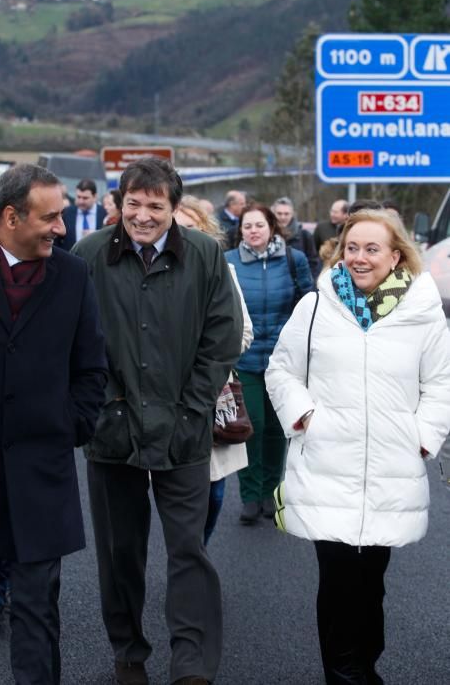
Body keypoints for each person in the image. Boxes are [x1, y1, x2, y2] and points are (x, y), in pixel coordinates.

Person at [72, 157, 243, 685]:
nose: (142, 215)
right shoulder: (89, 256)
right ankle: (128, 651)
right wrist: (99, 406)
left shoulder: (206, 256)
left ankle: (192, 664)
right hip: (112, 431)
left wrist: (193, 407)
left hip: (184, 429)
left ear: (173, 208)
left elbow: (221, 337)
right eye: (133, 203)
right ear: (118, 203)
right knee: (120, 552)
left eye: (155, 206)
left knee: (188, 551)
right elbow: (73, 340)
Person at [266, 208, 450, 685]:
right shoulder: (315, 307)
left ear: (395, 255)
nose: (359, 258)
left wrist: (423, 438)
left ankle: (364, 665)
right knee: (338, 578)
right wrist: (304, 416)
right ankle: (345, 675)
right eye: (351, 248)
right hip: (327, 463)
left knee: (371, 585)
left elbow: (442, 384)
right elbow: (281, 370)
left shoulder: (423, 313)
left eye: (372, 249)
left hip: (392, 467)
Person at [0, 164, 107, 685]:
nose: (62, 229)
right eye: (50, 218)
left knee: (36, 610)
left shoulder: (72, 275)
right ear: (10, 216)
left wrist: (70, 426)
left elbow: (92, 365)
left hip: (41, 470)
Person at [225, 204, 313, 525]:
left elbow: (308, 302)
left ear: (271, 227)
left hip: (283, 362)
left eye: (259, 225)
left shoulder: (293, 260)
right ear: (241, 230)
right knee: (252, 427)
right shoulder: (228, 261)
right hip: (244, 358)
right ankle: (250, 495)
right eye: (247, 226)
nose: (253, 231)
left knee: (278, 430)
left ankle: (271, 492)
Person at [174, 195, 253, 544]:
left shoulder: (223, 270)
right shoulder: (144, 271)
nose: (182, 235)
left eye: (190, 228)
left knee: (213, 494)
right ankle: (186, 563)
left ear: (206, 232)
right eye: (176, 228)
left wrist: (208, 361)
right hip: (163, 396)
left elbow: (244, 332)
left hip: (212, 394)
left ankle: (197, 554)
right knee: (172, 492)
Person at [271, 196, 320, 279]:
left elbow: (313, 263)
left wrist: (310, 282)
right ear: (273, 214)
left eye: (286, 214)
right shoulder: (268, 235)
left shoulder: (304, 236)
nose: (283, 217)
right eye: (279, 213)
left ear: (292, 214)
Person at [59, 178, 106, 250]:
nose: (81, 201)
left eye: (85, 198)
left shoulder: (104, 213)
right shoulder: (67, 213)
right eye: (78, 197)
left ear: (95, 197)